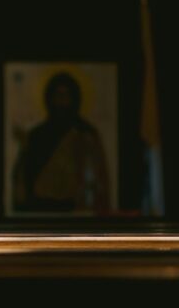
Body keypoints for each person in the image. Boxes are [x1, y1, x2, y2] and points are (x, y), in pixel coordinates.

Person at [12, 72, 111, 213]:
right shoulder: (36, 135)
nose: (62, 101)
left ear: (75, 99)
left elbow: (98, 178)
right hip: (43, 210)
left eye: (66, 96)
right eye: (58, 96)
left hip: (78, 209)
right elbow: (24, 181)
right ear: (49, 99)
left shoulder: (86, 134)